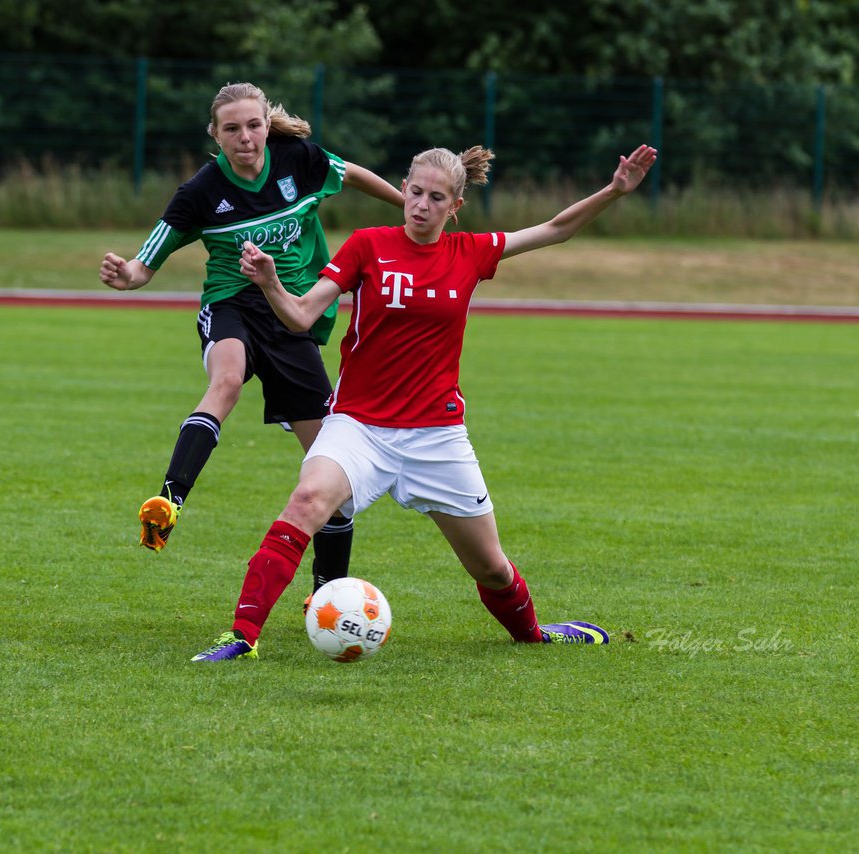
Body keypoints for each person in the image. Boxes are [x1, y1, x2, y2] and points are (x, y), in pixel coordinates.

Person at [188, 141, 658, 661]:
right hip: (357, 426)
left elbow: (555, 229)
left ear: (454, 207)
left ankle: (534, 634)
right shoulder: (367, 245)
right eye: (414, 192)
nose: (420, 205)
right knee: (305, 502)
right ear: (404, 189)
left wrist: (614, 191)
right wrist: (272, 284)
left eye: (436, 198)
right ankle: (242, 637)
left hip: (437, 435)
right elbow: (300, 317)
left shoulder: (469, 252)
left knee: (491, 567)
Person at [99, 82, 403, 593]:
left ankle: (327, 593)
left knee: (332, 479)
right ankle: (169, 502)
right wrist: (124, 274)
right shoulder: (199, 193)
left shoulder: (297, 158)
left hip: (289, 315)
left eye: (253, 125)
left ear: (267, 124)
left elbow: (351, 174)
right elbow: (145, 263)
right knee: (228, 381)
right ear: (215, 136)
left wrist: (405, 204)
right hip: (232, 304)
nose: (245, 137)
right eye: (232, 129)